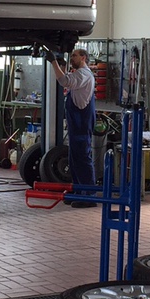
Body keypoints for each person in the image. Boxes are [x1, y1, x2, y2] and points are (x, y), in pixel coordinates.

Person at [48, 47, 96, 197]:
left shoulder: (84, 74)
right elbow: (66, 77)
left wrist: (53, 63)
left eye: (74, 55)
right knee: (74, 158)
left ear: (83, 58)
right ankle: (78, 191)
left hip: (82, 123)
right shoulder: (79, 74)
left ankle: (88, 195)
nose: (72, 58)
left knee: (82, 158)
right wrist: (62, 66)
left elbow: (64, 81)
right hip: (77, 124)